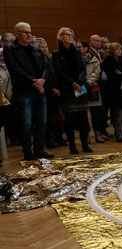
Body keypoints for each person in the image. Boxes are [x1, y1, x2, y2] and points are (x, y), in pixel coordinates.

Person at [4, 22, 53, 159]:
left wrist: (42, 80)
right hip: (23, 90)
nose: (29, 34)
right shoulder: (10, 49)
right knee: (26, 124)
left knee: (42, 122)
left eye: (30, 32)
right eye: (26, 32)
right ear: (17, 33)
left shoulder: (35, 49)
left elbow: (46, 66)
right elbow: (16, 69)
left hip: (40, 89)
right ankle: (27, 152)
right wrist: (34, 82)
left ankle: (39, 149)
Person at [52, 27, 92, 154]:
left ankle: (85, 144)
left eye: (71, 35)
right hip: (67, 89)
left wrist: (79, 83)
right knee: (70, 119)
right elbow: (60, 72)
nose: (70, 36)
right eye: (67, 34)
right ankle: (72, 145)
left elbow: (83, 69)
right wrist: (73, 83)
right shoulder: (57, 54)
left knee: (83, 119)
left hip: (81, 87)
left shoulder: (78, 52)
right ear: (61, 37)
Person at [102, 42, 122, 142]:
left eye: (120, 49)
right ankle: (119, 134)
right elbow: (111, 76)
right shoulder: (108, 61)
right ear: (112, 51)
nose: (119, 51)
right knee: (118, 115)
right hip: (115, 91)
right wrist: (120, 75)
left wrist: (120, 74)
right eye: (117, 49)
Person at [86, 34, 109, 143]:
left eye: (100, 41)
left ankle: (101, 131)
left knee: (100, 111)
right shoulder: (88, 54)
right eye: (97, 41)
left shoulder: (102, 53)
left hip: (100, 85)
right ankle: (90, 134)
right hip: (88, 85)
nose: (99, 43)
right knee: (89, 111)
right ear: (91, 42)